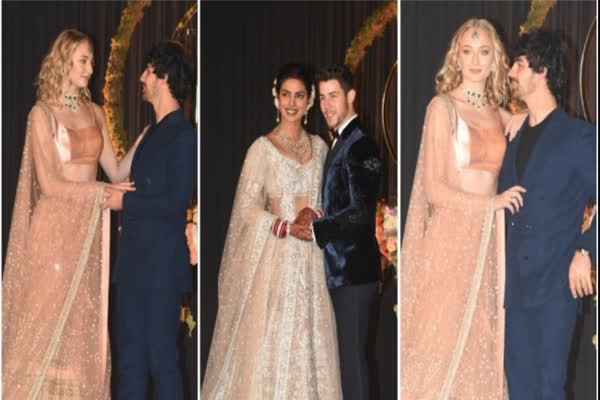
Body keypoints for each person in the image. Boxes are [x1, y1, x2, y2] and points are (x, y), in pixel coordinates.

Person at [2, 29, 140, 399]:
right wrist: (100, 193)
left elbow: (115, 171)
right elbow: (49, 185)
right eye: (83, 60)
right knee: (46, 321)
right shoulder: (42, 114)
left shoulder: (95, 113)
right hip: (53, 232)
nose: (91, 68)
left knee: (81, 325)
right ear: (63, 62)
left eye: (91, 61)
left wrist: (145, 140)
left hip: (87, 231)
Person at [401, 18, 527, 399]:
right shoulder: (442, 108)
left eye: (484, 52)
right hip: (449, 241)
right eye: (468, 51)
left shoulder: (501, 113)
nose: (475, 60)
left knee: (480, 341)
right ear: (456, 56)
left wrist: (525, 115)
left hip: (486, 242)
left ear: (495, 59)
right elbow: (434, 190)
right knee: (441, 340)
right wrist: (490, 204)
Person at [202, 63, 342, 399]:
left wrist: (314, 215)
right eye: (286, 95)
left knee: (309, 341)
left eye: (299, 95)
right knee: (272, 340)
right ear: (276, 97)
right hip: (275, 260)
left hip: (311, 262)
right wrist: (285, 226)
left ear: (310, 101)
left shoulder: (321, 148)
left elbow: (332, 200)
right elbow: (246, 209)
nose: (292, 103)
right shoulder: (261, 149)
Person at [500, 29, 596, 400]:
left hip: (554, 288)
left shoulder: (579, 136)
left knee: (548, 391)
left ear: (542, 71)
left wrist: (586, 250)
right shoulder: (513, 136)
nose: (511, 72)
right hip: (513, 290)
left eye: (519, 64)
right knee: (520, 392)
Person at [101, 40, 197, 400]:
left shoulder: (185, 136)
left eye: (147, 71)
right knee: (130, 363)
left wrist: (126, 201)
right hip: (133, 266)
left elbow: (174, 205)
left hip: (160, 270)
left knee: (162, 361)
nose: (141, 78)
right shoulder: (152, 132)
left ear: (164, 76)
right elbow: (124, 180)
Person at [302, 64, 382, 400]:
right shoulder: (342, 142)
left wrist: (316, 229)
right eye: (322, 98)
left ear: (351, 96)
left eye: (333, 96)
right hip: (340, 272)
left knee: (352, 361)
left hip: (354, 272)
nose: (326, 105)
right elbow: (341, 203)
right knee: (346, 362)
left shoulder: (361, 144)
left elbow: (361, 213)